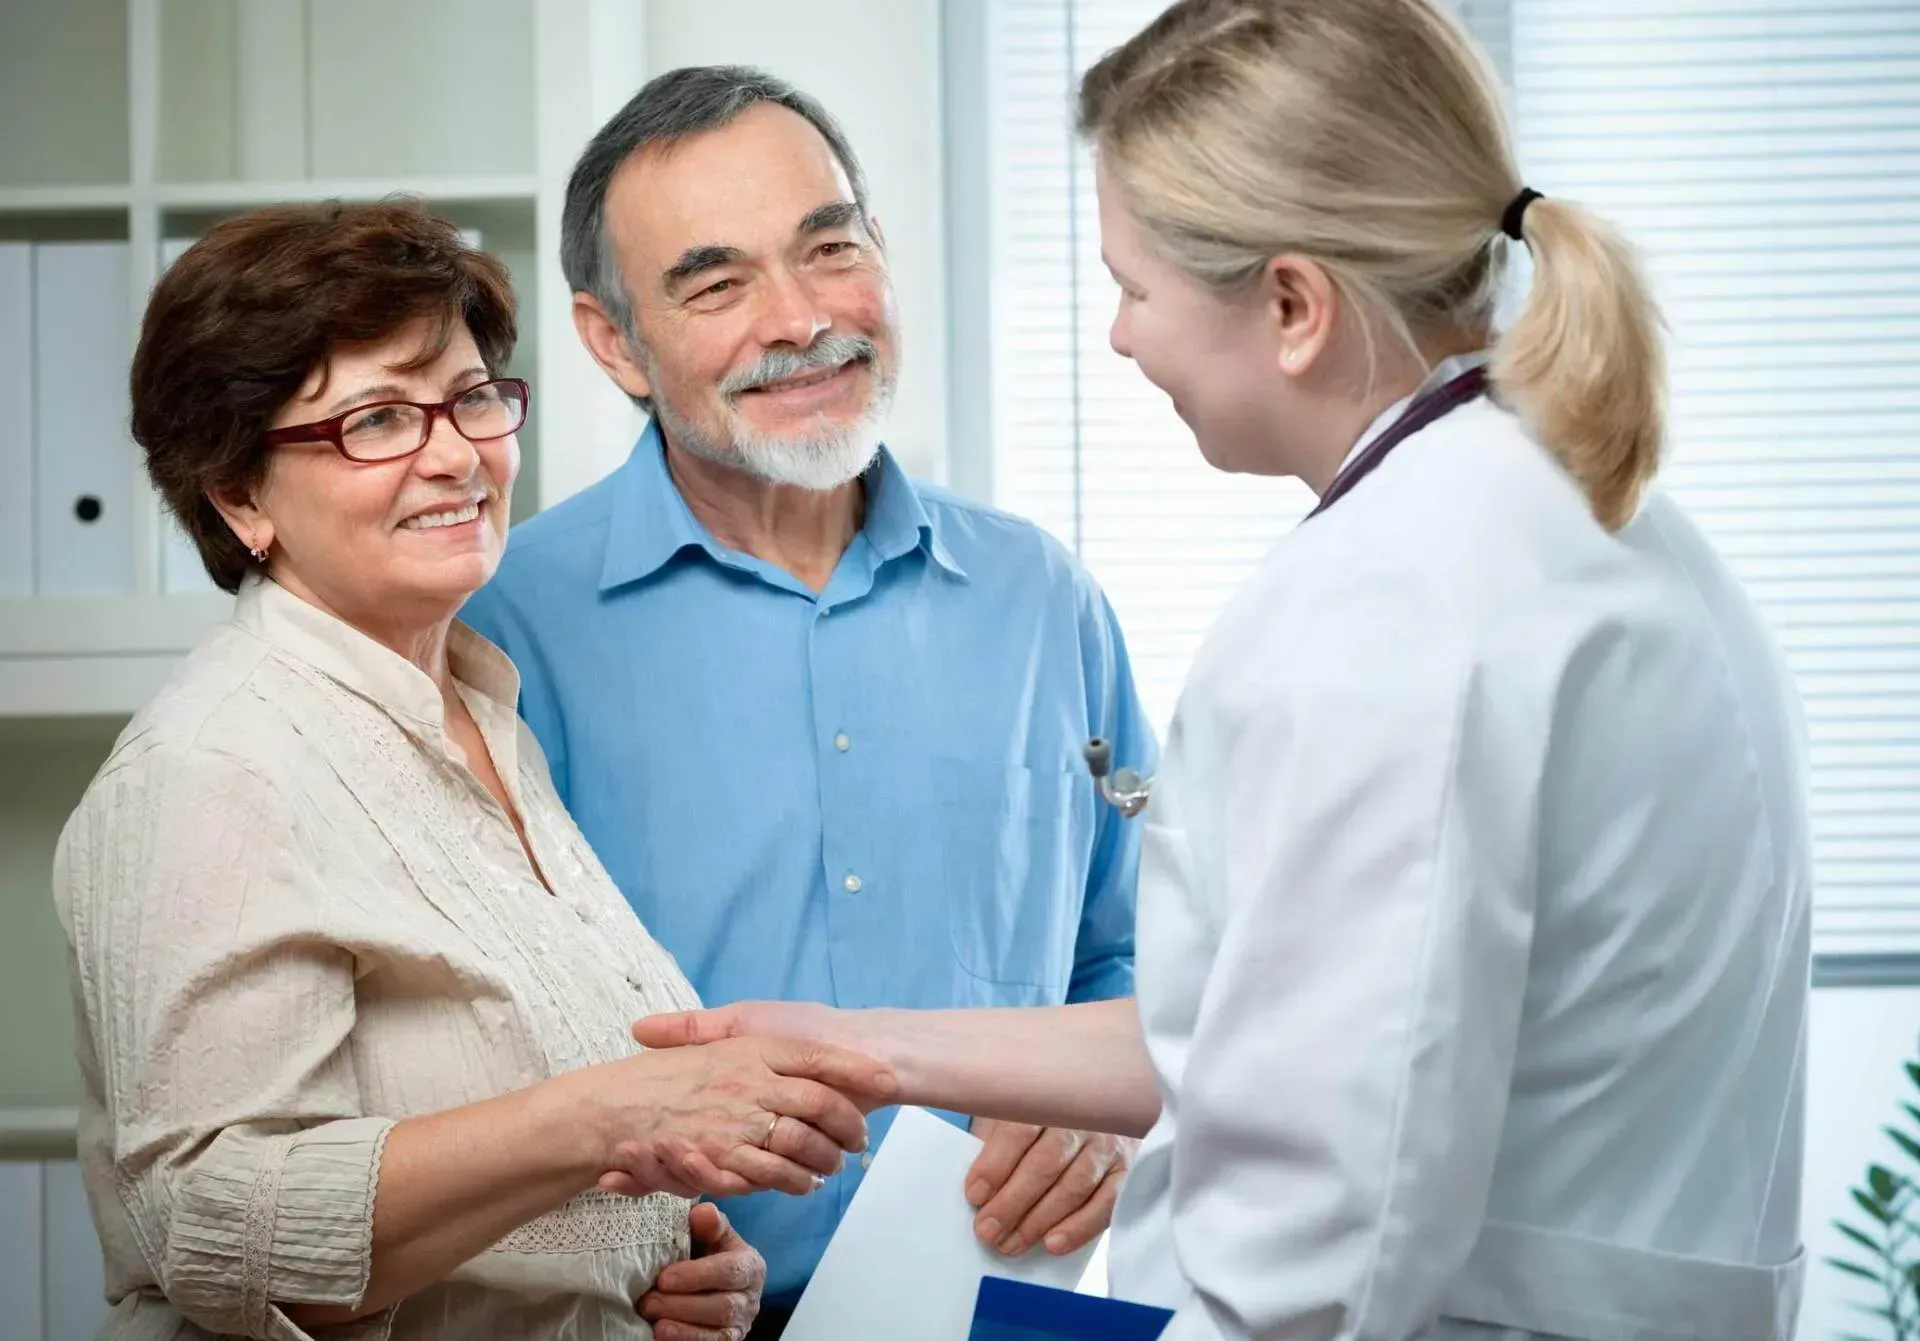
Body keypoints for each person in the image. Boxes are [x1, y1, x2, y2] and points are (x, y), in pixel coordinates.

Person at [630, 2, 1814, 1338]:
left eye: (1134, 287)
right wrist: (869, 1049)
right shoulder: (1593, 520)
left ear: (1294, 306)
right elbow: (1252, 1026)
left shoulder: (1392, 603)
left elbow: (1316, 1244)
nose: (1123, 338)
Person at [52, 199, 898, 1341]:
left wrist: (659, 1258)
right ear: (239, 494)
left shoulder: (485, 716)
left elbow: (460, 1169)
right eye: (376, 421)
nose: (455, 453)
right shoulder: (214, 769)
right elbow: (216, 1230)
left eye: (469, 399)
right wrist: (603, 1117)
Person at [458, 66, 1155, 1334]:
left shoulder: (1044, 598)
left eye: (829, 249)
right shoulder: (500, 631)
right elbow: (466, 1052)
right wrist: (593, 1246)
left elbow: (1142, 952)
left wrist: (1095, 1112)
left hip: (1012, 1301)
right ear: (614, 341)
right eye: (717, 283)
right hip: (663, 1318)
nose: (800, 319)